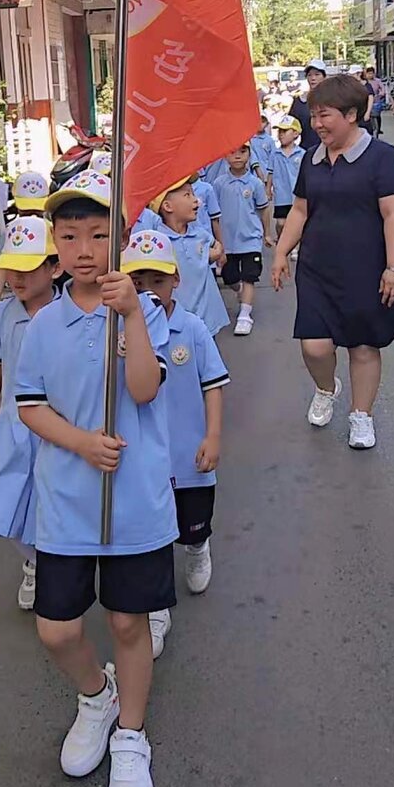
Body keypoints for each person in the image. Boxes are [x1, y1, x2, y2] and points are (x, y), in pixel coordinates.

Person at [14, 169, 177, 787]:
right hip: (67, 504)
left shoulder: (144, 313)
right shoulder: (42, 326)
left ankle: (131, 736)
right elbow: (31, 406)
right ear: (54, 245)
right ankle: (95, 695)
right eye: (71, 234)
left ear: (121, 240)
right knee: (56, 629)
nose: (85, 247)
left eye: (100, 233)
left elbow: (143, 388)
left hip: (133, 501)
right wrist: (81, 442)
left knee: (127, 622)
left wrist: (132, 312)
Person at [271, 74, 394, 451]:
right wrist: (282, 252)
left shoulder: (382, 157)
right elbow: (300, 209)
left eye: (324, 115)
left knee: (363, 346)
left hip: (366, 269)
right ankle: (326, 388)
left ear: (351, 115)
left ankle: (361, 415)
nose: (316, 124)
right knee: (314, 346)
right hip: (316, 268)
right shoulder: (312, 160)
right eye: (314, 116)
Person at [122, 230, 230, 658]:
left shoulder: (193, 330)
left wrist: (213, 436)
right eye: (138, 281)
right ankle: (156, 609)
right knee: (152, 537)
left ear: (175, 281)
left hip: (189, 458)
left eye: (157, 281)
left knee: (190, 526)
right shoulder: (122, 331)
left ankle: (199, 547)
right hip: (144, 460)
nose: (148, 291)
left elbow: (214, 386)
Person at [0, 217, 61, 608]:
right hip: (12, 425)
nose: (17, 278)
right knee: (9, 496)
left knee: (50, 497)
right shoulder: (4, 315)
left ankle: (55, 561)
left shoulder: (67, 312)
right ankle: (33, 561)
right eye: (12, 268)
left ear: (53, 267)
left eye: (28, 268)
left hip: (56, 426)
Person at [152, 178, 229, 337]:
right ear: (167, 206)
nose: (197, 200)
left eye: (194, 194)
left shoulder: (199, 233)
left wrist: (214, 254)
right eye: (187, 195)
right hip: (175, 318)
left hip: (206, 317)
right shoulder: (159, 240)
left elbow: (217, 246)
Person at [213, 145, 271, 336]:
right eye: (232, 152)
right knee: (230, 277)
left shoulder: (254, 183)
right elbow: (214, 215)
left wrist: (266, 233)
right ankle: (240, 292)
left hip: (250, 239)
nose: (237, 156)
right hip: (228, 242)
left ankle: (245, 315)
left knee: (250, 276)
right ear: (225, 156)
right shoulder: (219, 184)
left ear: (249, 154)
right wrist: (216, 240)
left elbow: (263, 209)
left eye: (242, 151)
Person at [0, 170, 50, 313]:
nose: (32, 215)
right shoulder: (11, 231)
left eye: (36, 210)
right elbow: (2, 268)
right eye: (27, 211)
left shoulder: (52, 230)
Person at [271, 115, 305, 250]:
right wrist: (268, 189)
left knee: (297, 221)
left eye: (285, 131)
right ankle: (282, 239)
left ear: (296, 133)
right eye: (279, 131)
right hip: (281, 194)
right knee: (281, 223)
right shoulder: (275, 154)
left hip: (296, 193)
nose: (281, 134)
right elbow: (270, 172)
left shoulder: (302, 153)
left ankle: (294, 247)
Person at [289, 59, 326, 151]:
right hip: (306, 150)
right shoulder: (299, 101)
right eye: (310, 75)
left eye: (317, 74)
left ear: (324, 77)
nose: (313, 78)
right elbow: (291, 124)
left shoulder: (334, 99)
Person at [364, 66, 386, 136]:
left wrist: (381, 93)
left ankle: (378, 129)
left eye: (372, 73)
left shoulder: (377, 81)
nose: (370, 75)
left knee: (377, 114)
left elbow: (383, 89)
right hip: (367, 100)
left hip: (376, 100)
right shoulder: (365, 82)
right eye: (369, 73)